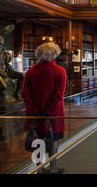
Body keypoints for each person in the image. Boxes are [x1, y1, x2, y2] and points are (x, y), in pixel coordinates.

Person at [21, 42, 67, 174]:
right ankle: (53, 168)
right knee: (54, 140)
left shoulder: (30, 71)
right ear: (53, 54)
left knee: (37, 140)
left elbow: (25, 93)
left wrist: (35, 109)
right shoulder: (60, 71)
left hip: (34, 114)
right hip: (53, 113)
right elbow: (59, 94)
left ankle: (39, 168)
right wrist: (48, 112)